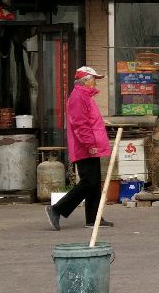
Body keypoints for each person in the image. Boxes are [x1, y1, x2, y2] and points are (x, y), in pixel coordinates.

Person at [47, 66, 112, 230]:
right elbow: (80, 124)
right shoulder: (79, 97)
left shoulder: (84, 96)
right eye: (93, 80)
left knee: (94, 182)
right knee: (89, 182)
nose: (95, 83)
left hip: (89, 145)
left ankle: (93, 218)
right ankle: (57, 208)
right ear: (86, 80)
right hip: (85, 146)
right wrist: (90, 144)